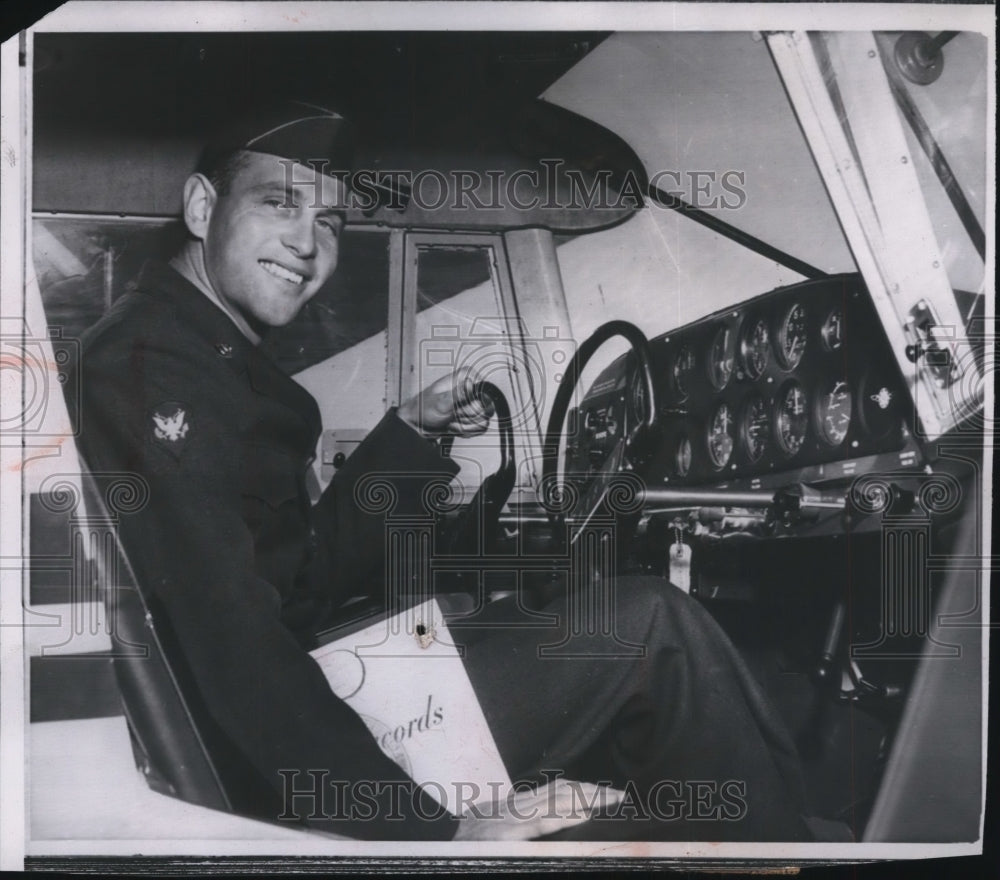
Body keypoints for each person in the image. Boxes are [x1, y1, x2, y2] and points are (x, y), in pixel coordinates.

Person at [70, 100, 815, 842]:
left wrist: (409, 436)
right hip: (258, 765)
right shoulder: (152, 369)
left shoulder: (196, 350)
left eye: (330, 222)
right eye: (279, 205)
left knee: (545, 620)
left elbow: (301, 576)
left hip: (285, 702)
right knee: (656, 630)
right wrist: (425, 834)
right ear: (202, 208)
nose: (307, 242)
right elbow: (234, 648)